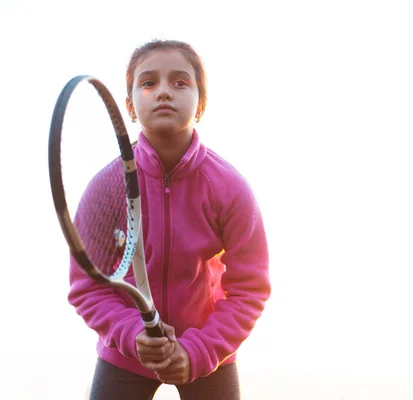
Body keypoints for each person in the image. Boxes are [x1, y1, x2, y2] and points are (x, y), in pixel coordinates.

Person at [68, 39, 271, 400]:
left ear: (201, 104)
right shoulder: (105, 186)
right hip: (125, 356)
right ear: (130, 106)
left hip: (210, 352)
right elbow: (87, 287)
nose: (163, 91)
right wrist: (132, 334)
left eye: (180, 82)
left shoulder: (230, 188)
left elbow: (250, 289)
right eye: (149, 83)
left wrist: (199, 351)